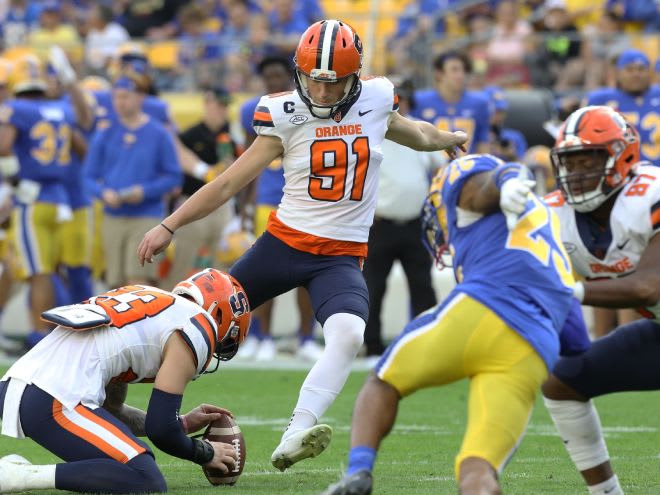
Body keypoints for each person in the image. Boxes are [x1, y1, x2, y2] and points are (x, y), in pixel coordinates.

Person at [138, 19, 467, 471]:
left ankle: (297, 431)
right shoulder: (284, 113)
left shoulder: (374, 99)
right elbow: (229, 182)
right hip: (282, 245)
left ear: (357, 76)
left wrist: (447, 140)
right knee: (197, 321)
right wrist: (169, 225)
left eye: (335, 82)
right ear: (300, 72)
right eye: (315, 79)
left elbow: (416, 132)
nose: (324, 91)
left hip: (340, 255)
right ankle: (129, 400)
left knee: (349, 334)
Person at [320, 153, 586, 495]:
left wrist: (505, 183)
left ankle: (358, 473)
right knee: (477, 468)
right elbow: (576, 340)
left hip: (481, 310)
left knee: (382, 380)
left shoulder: (475, 187)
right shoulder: (548, 229)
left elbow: (489, 181)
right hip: (533, 348)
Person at [0, 268, 250, 494]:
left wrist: (182, 424)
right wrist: (205, 453)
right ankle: (19, 476)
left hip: (20, 384)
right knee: (145, 478)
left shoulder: (146, 297)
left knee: (124, 464)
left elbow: (112, 410)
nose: (216, 347)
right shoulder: (198, 325)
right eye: (226, 340)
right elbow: (161, 429)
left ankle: (18, 473)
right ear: (220, 317)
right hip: (54, 397)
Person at [542, 105, 660, 495]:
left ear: (622, 155)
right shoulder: (553, 214)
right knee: (563, 382)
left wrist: (566, 291)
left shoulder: (650, 194)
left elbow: (648, 287)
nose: (576, 174)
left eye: (588, 160)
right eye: (569, 164)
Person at [238, 55, 320, 362]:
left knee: (305, 276)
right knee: (264, 273)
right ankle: (262, 335)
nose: (272, 82)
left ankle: (305, 336)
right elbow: (246, 163)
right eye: (267, 76)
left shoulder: (307, 105)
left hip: (302, 199)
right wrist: (243, 208)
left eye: (278, 76)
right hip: (267, 200)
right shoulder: (254, 109)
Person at [0, 53, 83, 348]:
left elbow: (5, 146)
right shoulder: (60, 108)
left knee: (38, 272)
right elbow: (80, 146)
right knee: (49, 271)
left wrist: (15, 181)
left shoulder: (16, 108)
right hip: (60, 199)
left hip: (32, 198)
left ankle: (40, 335)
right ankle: (52, 335)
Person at [84, 63, 182, 289]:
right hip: (113, 215)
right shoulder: (106, 132)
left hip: (145, 215)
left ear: (140, 98)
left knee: (137, 280)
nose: (120, 102)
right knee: (113, 282)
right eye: (116, 97)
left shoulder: (158, 134)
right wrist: (102, 193)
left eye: (125, 96)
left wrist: (144, 192)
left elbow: (173, 176)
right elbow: (88, 176)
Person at [583, 48, 660, 336]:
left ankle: (629, 341)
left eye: (642, 68)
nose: (637, 73)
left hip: (653, 191)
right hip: (615, 192)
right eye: (631, 68)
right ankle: (603, 342)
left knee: (635, 268)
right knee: (605, 267)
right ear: (618, 73)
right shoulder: (602, 101)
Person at [362, 78, 439, 358]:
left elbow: (440, 163)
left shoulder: (418, 129)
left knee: (423, 288)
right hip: (379, 223)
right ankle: (371, 346)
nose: (398, 104)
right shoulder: (370, 129)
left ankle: (427, 345)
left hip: (413, 223)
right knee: (373, 287)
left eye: (402, 99)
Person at [163, 87, 237, 290]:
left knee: (220, 268)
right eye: (219, 105)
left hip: (222, 207)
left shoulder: (230, 135)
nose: (222, 110)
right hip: (192, 204)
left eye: (225, 106)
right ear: (207, 104)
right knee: (183, 262)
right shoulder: (190, 135)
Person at [412, 51, 491, 156]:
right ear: (439, 74)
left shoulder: (479, 103)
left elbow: (483, 144)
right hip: (431, 169)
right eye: (454, 70)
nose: (460, 75)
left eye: (463, 70)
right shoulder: (419, 101)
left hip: (466, 169)